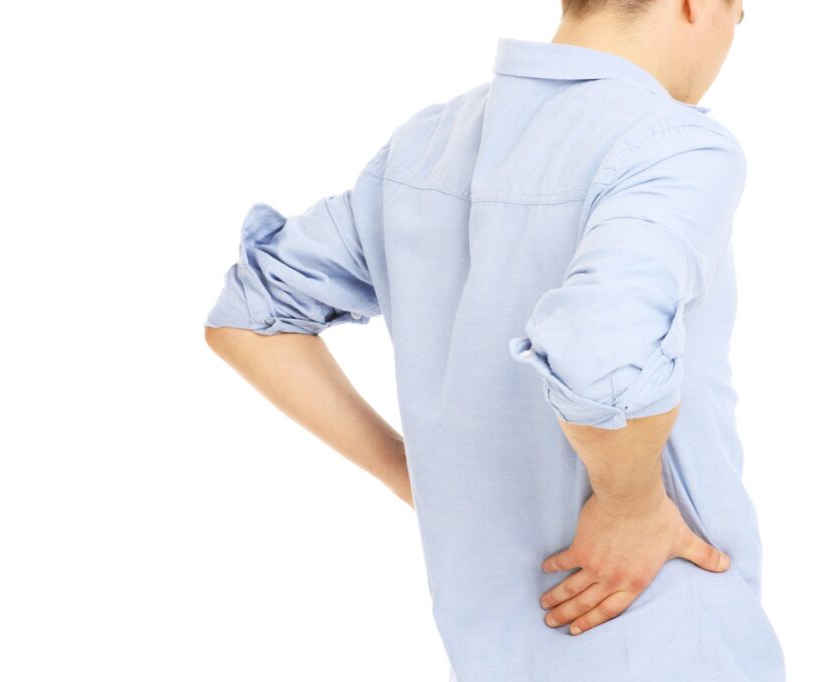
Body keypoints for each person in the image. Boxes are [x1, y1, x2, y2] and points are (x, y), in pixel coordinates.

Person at [203, 0, 786, 679]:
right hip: (661, 638)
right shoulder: (674, 145)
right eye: (739, 14)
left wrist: (414, 475)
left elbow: (248, 315)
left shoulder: (428, 147)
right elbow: (597, 346)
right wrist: (630, 506)